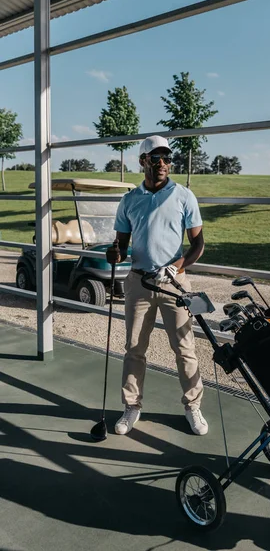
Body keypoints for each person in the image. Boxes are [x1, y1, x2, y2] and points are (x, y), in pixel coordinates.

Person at [106, 134, 208, 436]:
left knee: (185, 348)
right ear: (143, 161)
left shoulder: (184, 196)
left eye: (167, 158)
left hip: (174, 283)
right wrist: (115, 253)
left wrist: (175, 268)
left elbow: (198, 243)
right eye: (156, 158)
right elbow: (121, 245)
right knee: (134, 348)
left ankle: (193, 407)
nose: (163, 163)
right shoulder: (129, 200)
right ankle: (132, 407)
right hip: (138, 282)